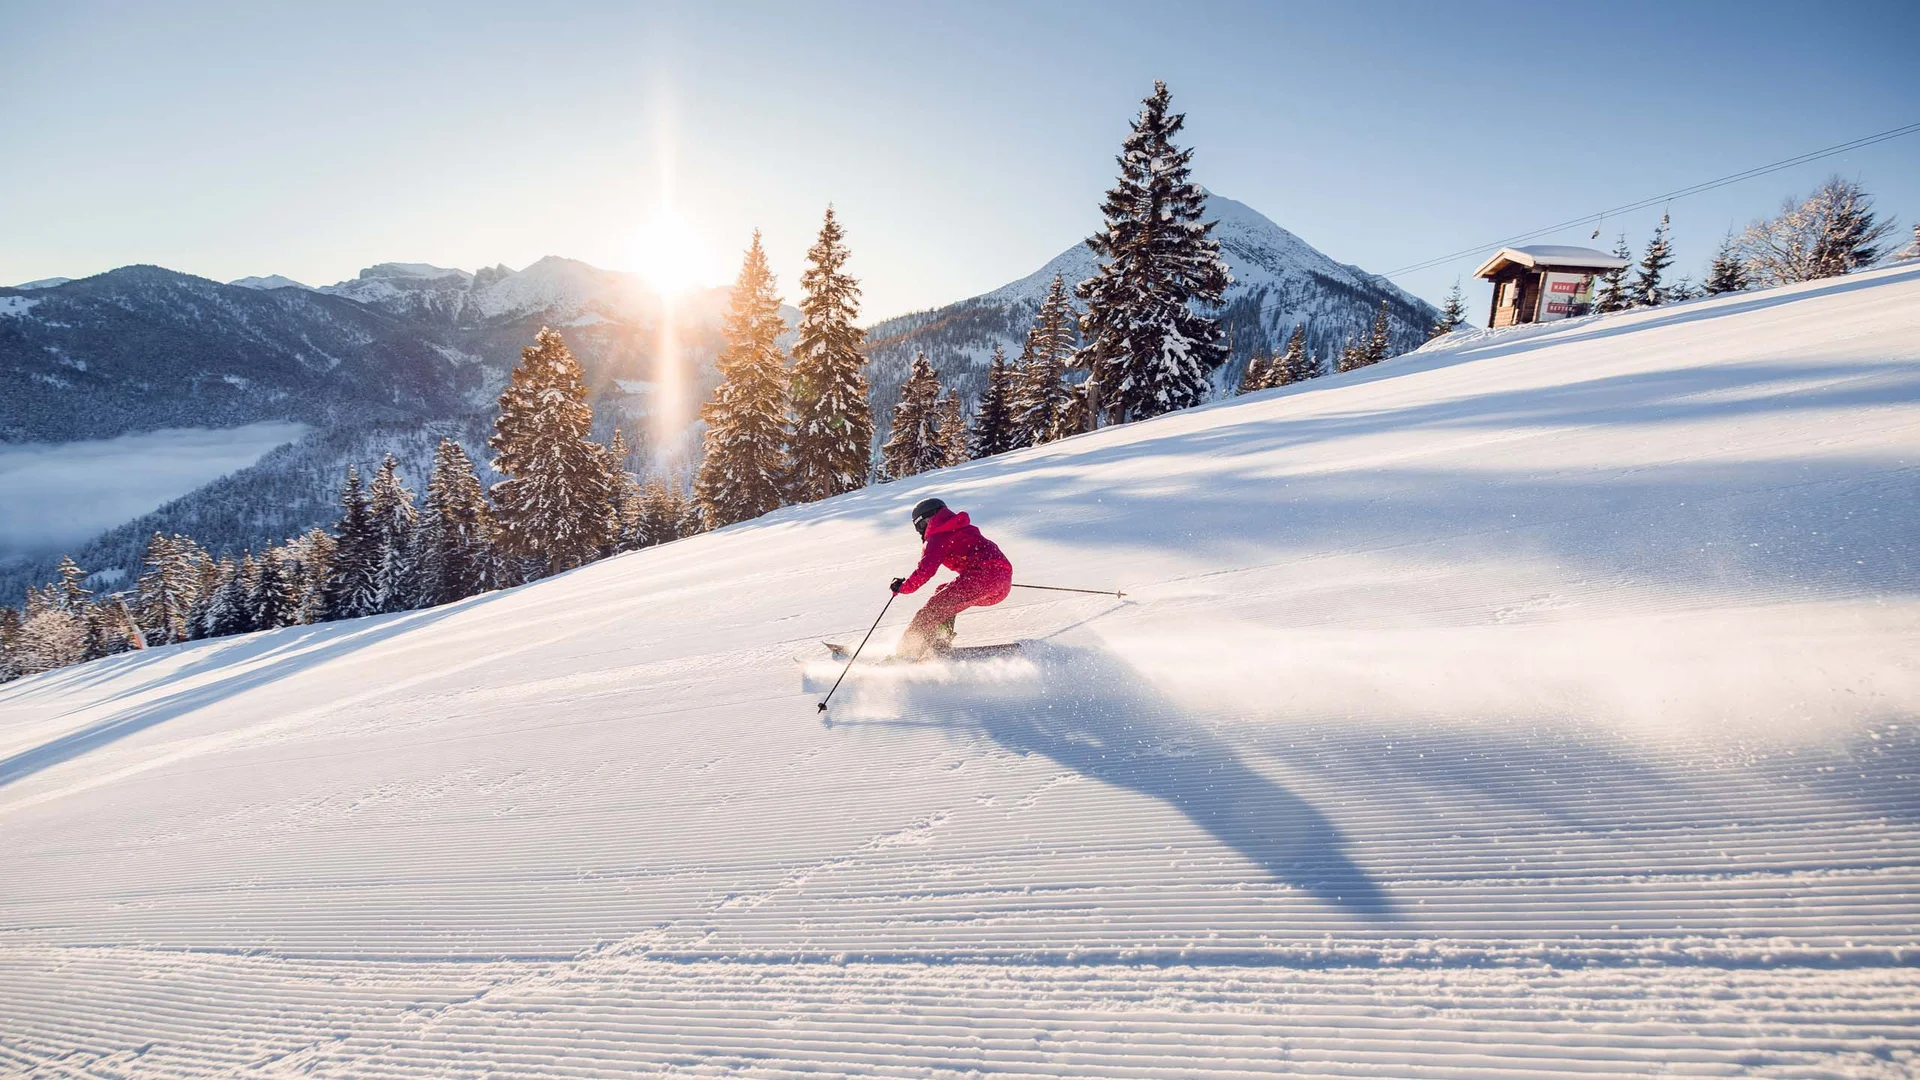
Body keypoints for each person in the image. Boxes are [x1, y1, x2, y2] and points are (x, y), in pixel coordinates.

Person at [890, 497, 1012, 660]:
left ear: (925, 521)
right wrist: (996, 579)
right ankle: (940, 639)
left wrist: (903, 587)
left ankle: (905, 655)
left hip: (983, 578)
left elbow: (926, 570)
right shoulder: (959, 527)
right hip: (1001, 583)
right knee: (942, 593)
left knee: (932, 609)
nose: (920, 532)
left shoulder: (938, 535)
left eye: (919, 527)